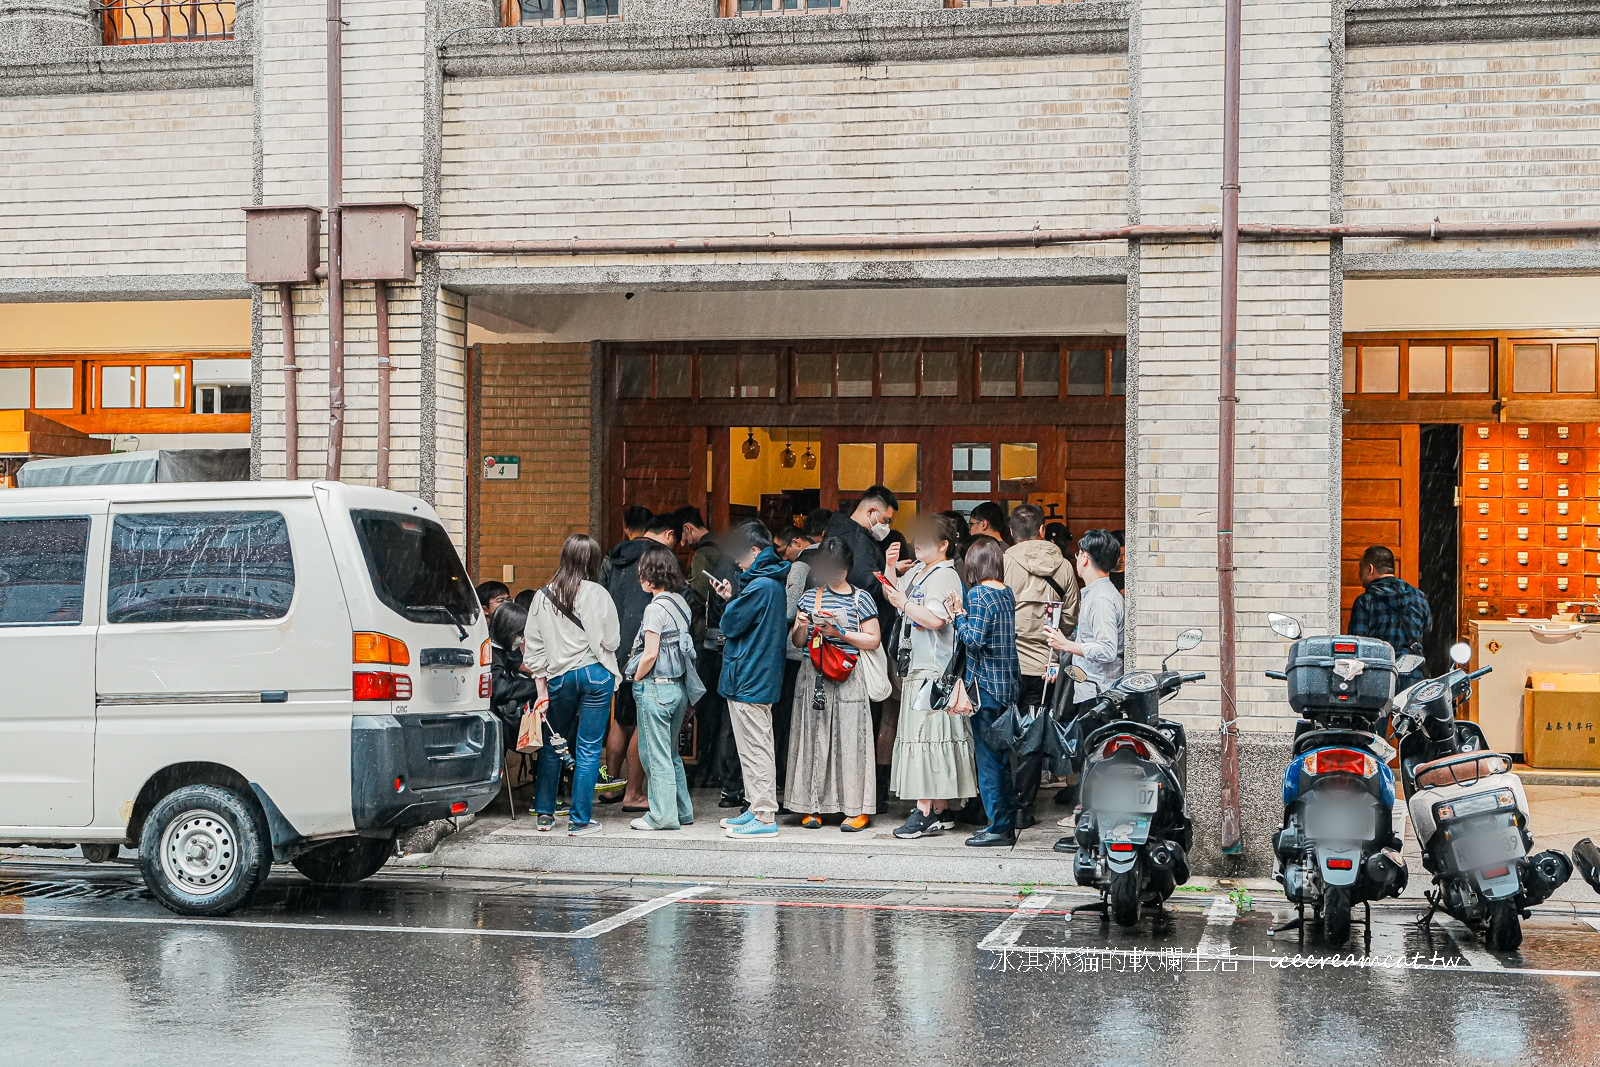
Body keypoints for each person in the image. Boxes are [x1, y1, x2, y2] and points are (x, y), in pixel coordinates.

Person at [882, 513, 976, 839]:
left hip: (933, 669)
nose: (917, 544)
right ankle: (940, 809)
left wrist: (904, 601)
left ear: (944, 545)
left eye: (925, 540)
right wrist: (891, 569)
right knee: (930, 738)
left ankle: (924, 811)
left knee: (925, 739)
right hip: (920, 665)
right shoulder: (924, 570)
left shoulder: (945, 576)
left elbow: (936, 619)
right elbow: (898, 600)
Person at [524, 534, 621, 836]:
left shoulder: (542, 596)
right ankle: (580, 820)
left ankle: (544, 815)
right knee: (589, 748)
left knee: (554, 745)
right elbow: (612, 640)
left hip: (559, 678)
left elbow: (533, 649)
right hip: (595, 674)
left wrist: (541, 693)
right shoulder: (598, 594)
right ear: (592, 561)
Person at [787, 537, 883, 832]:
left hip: (849, 673)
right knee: (812, 740)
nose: (833, 574)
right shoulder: (810, 597)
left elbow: (873, 638)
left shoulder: (861, 598)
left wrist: (839, 632)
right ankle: (811, 805)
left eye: (839, 568)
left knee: (851, 742)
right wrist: (802, 625)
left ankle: (855, 808)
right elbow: (797, 642)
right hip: (813, 674)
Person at [711, 520, 793, 840]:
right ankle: (754, 807)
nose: (737, 561)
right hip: (755, 674)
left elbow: (730, 624)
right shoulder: (767, 583)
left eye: (741, 554)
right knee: (753, 746)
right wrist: (735, 595)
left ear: (756, 551)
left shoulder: (761, 586)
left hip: (750, 676)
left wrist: (731, 600)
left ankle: (763, 815)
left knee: (755, 747)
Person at [1046, 528, 1126, 850]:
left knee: (1095, 762)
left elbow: (1107, 649)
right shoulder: (1097, 593)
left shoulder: (1103, 598)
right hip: (1093, 690)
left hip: (1099, 693)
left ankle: (1090, 832)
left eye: (1079, 554)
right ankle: (1090, 827)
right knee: (1092, 761)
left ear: (1084, 558)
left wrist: (1068, 644)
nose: (1076, 558)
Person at [1002, 503, 1080, 830]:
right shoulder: (1063, 566)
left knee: (1004, 732)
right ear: (1043, 530)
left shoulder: (1004, 562)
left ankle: (1001, 804)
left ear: (1011, 532)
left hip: (1008, 664)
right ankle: (1023, 807)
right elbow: (1072, 617)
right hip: (1046, 666)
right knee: (1034, 732)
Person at [947, 536, 1021, 847]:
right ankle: (1005, 822)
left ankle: (998, 828)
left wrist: (957, 616)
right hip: (1008, 685)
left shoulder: (979, 594)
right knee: (1002, 760)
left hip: (986, 687)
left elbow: (974, 640)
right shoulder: (1007, 594)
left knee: (989, 761)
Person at [602, 513, 679, 808]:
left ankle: (611, 787)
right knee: (640, 721)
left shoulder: (616, 557)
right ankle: (634, 793)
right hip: (646, 647)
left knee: (620, 720)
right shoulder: (657, 560)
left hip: (618, 647)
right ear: (667, 534)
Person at [624, 541, 697, 831]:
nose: (639, 576)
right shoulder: (680, 603)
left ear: (651, 574)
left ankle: (662, 816)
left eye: (642, 571)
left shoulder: (655, 609)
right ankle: (682, 810)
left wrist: (637, 677)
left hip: (657, 686)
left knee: (654, 756)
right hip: (678, 688)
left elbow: (651, 653)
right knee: (670, 753)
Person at [678, 506, 744, 806]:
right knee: (724, 710)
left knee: (708, 707)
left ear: (689, 529)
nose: (682, 543)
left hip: (710, 640)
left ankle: (707, 767)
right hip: (728, 643)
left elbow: (701, 595)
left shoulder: (704, 554)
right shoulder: (726, 551)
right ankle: (722, 770)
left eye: (682, 535)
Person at [1348, 544, 1433, 688]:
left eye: (1360, 568)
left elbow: (1357, 642)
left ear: (1370, 569)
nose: (1359, 574)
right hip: (1413, 674)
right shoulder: (1418, 596)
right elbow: (1428, 628)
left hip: (1380, 675)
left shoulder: (1366, 600)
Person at [774, 525, 815, 785]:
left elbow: (789, 610)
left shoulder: (801, 566)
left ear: (796, 542)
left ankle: (785, 775)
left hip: (796, 652)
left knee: (788, 719)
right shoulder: (833, 557)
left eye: (781, 549)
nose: (781, 556)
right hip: (824, 652)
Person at [488, 601, 539, 753]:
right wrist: (535, 686)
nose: (522, 639)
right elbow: (500, 689)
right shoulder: (491, 653)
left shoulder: (504, 649)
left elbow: (517, 662)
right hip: (499, 716)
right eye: (520, 634)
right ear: (508, 631)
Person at [599, 505, 653, 587]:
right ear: (651, 527)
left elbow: (601, 587)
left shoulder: (613, 554)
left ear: (626, 530)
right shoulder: (659, 553)